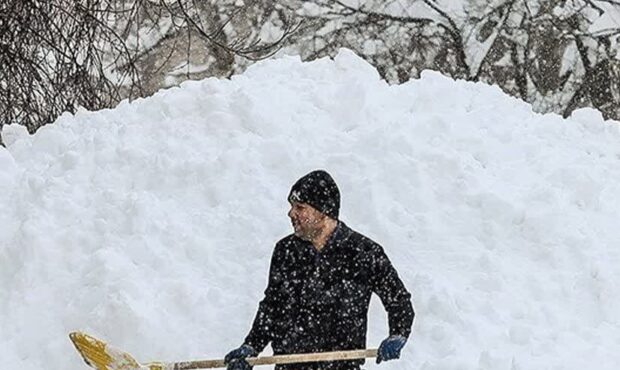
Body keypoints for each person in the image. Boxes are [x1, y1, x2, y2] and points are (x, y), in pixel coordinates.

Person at [224, 170, 414, 370]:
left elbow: (398, 299)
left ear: (323, 212)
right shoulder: (286, 251)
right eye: (291, 207)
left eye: (300, 207)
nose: (291, 213)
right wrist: (251, 346)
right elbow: (272, 306)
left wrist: (398, 333)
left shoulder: (364, 252)